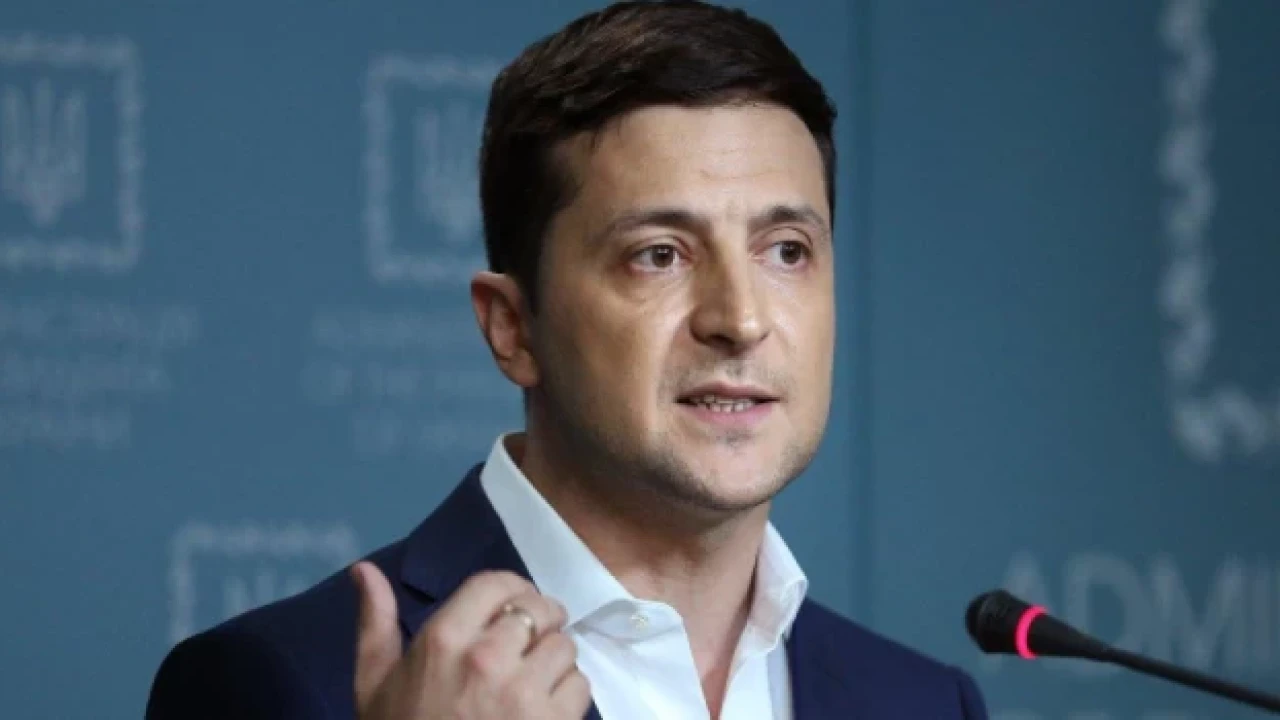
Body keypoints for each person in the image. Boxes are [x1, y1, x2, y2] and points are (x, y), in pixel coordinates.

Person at [146, 1, 989, 718]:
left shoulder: (923, 703)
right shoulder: (275, 681)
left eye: (788, 251)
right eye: (659, 255)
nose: (739, 319)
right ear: (512, 327)